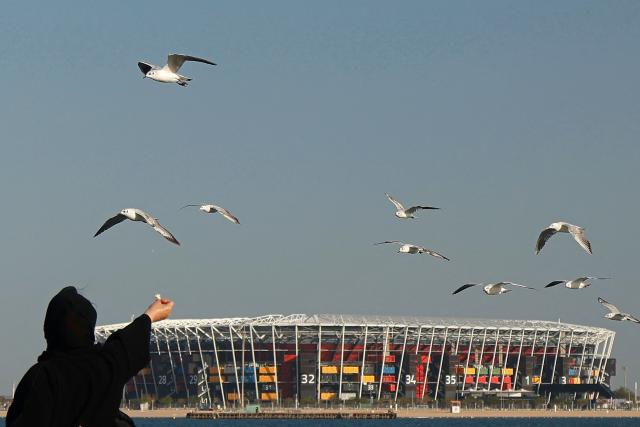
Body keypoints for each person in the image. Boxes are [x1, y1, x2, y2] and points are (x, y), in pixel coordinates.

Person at [6, 286, 174, 427]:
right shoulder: (105, 366)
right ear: (89, 330)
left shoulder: (42, 376)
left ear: (48, 329)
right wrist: (150, 315)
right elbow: (127, 344)